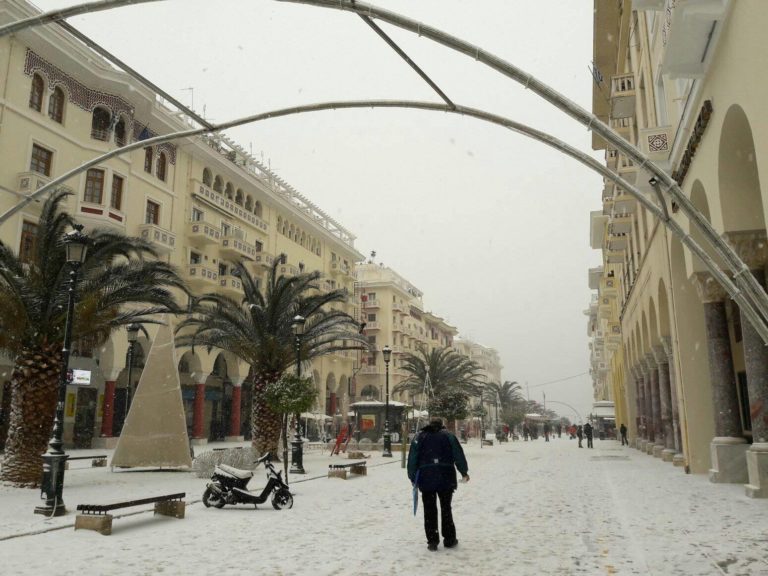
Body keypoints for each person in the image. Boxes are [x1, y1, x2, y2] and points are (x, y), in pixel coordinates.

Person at [407, 418, 469, 551]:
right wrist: (464, 472)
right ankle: (449, 539)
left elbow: (413, 457)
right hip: (446, 476)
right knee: (446, 508)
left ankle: (432, 540)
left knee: (429, 510)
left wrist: (412, 477)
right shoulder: (449, 436)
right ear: (441, 425)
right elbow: (458, 454)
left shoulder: (420, 437)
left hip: (426, 477)